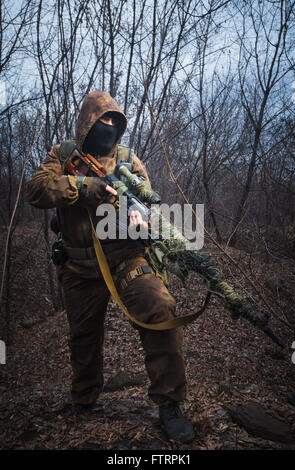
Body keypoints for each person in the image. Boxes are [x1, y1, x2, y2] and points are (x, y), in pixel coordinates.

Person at [26, 90, 194, 443]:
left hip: (125, 258)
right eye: (102, 120)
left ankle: (169, 404)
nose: (109, 126)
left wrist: (143, 220)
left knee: (160, 307)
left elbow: (147, 200)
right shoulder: (62, 154)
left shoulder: (129, 160)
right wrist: (84, 187)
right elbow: (37, 191)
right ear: (87, 122)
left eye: (115, 121)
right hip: (79, 265)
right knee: (82, 337)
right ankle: (84, 398)